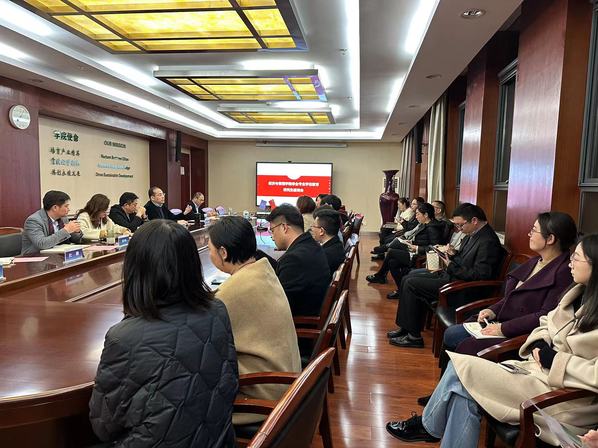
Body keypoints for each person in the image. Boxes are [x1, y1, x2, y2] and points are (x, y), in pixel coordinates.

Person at [385, 234, 598, 448]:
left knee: (460, 369)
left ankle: (428, 426)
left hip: (563, 398)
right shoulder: (576, 293)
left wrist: (554, 359)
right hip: (534, 373)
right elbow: (546, 323)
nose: (570, 263)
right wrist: (539, 342)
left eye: (576, 258)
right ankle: (428, 426)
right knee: (463, 390)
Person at [89, 220, 239, 447]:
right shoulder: (217, 310)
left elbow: (103, 426)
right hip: (216, 440)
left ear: (134, 269)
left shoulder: (124, 338)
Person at [208, 217, 301, 425]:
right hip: (287, 381)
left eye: (211, 249)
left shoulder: (232, 293)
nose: (210, 254)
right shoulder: (262, 270)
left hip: (264, 395)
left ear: (223, 252)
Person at [444, 212, 577, 356]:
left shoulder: (564, 273)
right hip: (502, 321)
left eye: (534, 230)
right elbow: (511, 297)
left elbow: (545, 316)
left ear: (550, 239)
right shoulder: (536, 261)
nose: (529, 234)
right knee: (452, 333)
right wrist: (492, 310)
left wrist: (503, 328)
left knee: (460, 340)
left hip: (519, 334)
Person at [387, 203, 504, 348]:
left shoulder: (488, 241)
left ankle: (414, 337)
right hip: (453, 277)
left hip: (463, 288)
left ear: (474, 220)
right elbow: (464, 259)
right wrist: (452, 254)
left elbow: (481, 274)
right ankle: (406, 328)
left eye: (461, 225)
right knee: (407, 278)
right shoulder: (473, 233)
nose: (459, 229)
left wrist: (451, 266)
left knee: (411, 284)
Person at [256, 204, 330, 316]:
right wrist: (259, 256)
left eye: (272, 230)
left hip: (299, 321)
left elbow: (278, 304)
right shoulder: (310, 245)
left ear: (284, 227)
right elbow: (283, 269)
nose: (272, 237)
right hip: (309, 308)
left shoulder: (295, 259)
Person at [366, 203, 444, 297]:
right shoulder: (425, 225)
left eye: (418, 214)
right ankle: (401, 290)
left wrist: (417, 248)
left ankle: (381, 275)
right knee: (392, 262)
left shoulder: (432, 228)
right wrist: (412, 242)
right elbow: (423, 241)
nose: (416, 216)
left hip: (421, 256)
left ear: (426, 215)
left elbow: (435, 247)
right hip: (414, 251)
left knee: (391, 251)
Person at [21, 190, 83, 255]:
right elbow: (42, 244)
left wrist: (76, 231)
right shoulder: (34, 221)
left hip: (58, 255)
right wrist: (66, 230)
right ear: (55, 207)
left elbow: (74, 240)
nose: (69, 209)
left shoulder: (63, 218)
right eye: (66, 206)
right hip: (35, 256)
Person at [311, 208, 345, 274]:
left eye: (313, 226)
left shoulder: (324, 256)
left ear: (321, 231)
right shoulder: (337, 243)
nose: (312, 229)